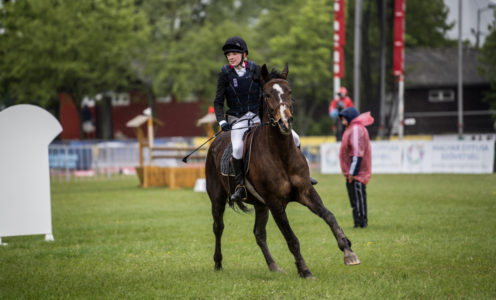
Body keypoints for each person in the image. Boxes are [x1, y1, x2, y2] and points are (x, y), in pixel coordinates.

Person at [213, 36, 317, 203]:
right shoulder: (225, 73)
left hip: (258, 117)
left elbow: (270, 91)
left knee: (295, 137)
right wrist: (222, 122)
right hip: (238, 120)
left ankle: (303, 174)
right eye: (228, 55)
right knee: (238, 148)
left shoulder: (255, 69)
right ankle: (240, 186)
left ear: (244, 54)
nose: (230, 57)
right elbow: (218, 102)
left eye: (234, 54)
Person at [338, 107, 373, 228]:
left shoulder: (356, 129)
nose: (343, 122)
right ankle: (357, 223)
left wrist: (353, 172)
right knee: (354, 200)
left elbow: (357, 152)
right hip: (351, 173)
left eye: (344, 119)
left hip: (357, 173)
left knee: (359, 199)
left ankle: (362, 223)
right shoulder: (351, 128)